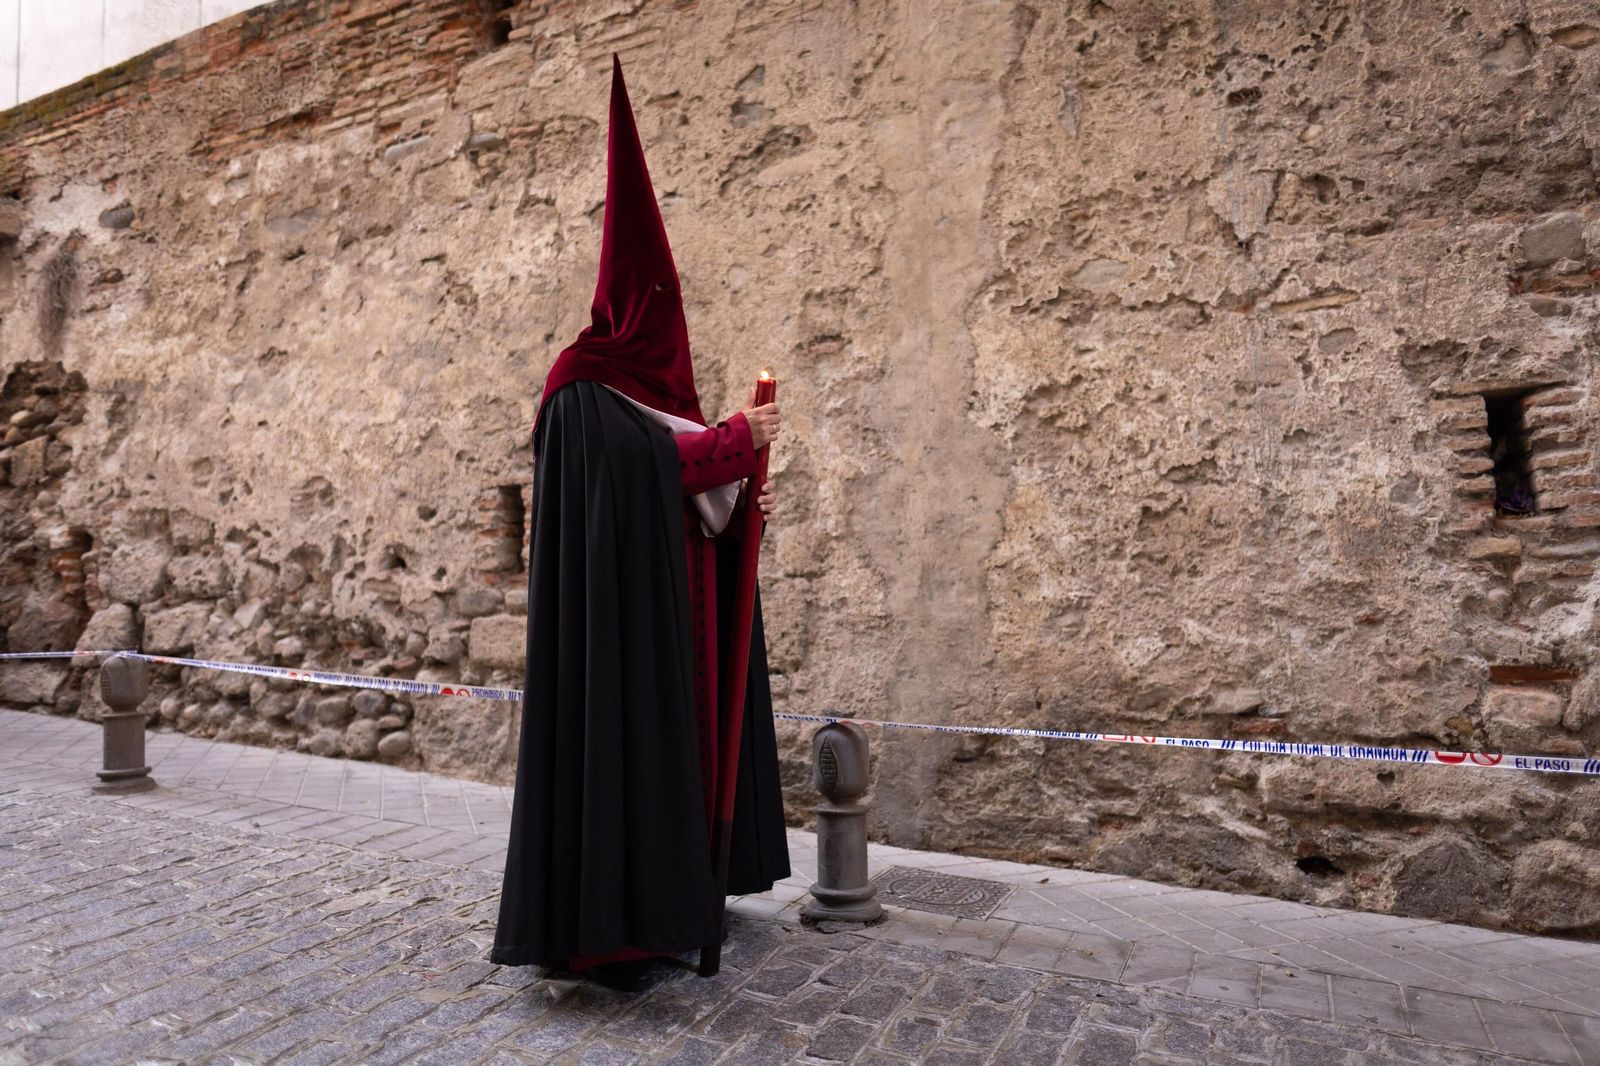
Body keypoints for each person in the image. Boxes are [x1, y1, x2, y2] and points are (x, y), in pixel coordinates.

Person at [490, 55, 791, 991]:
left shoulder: (654, 396)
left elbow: (683, 503)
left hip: (678, 631)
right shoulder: (577, 390)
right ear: (628, 302)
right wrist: (734, 441)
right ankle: (610, 932)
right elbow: (626, 481)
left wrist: (741, 505)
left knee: (681, 755)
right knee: (618, 756)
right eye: (658, 304)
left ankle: (677, 899)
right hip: (616, 639)